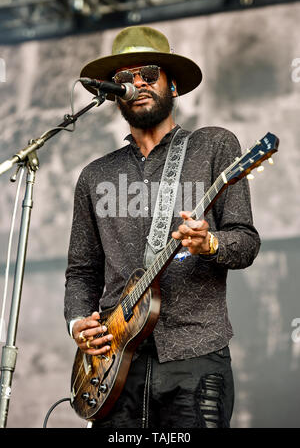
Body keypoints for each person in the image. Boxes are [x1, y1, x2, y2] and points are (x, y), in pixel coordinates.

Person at [64, 25, 260, 428]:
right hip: (114, 365)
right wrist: (77, 322)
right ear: (113, 93)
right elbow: (81, 270)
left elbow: (245, 242)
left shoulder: (214, 146)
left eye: (149, 74)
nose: (138, 84)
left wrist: (210, 244)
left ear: (172, 85)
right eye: (125, 79)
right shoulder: (95, 175)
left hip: (195, 357)